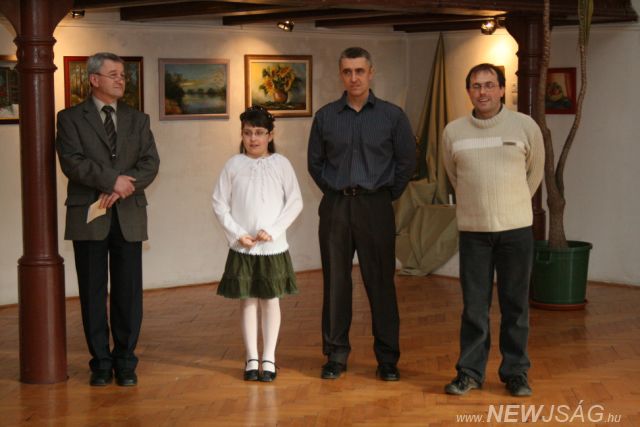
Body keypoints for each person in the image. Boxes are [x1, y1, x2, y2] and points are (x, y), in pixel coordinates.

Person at [307, 47, 416, 381]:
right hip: (336, 207)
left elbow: (407, 162)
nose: (353, 78)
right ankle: (335, 356)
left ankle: (387, 359)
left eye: (359, 71)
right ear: (341, 75)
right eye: (347, 72)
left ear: (371, 72)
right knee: (335, 284)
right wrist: (335, 191)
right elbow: (315, 164)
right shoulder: (325, 116)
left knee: (381, 284)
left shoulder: (392, 116)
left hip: (375, 206)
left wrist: (384, 196)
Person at [56, 52, 160, 387]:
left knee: (128, 293)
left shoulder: (138, 119)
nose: (120, 80)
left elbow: (150, 163)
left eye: (123, 75)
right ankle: (100, 362)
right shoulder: (70, 118)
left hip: (129, 214)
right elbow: (72, 162)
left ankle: (126, 361)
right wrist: (111, 180)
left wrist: (123, 187)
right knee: (92, 292)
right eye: (113, 74)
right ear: (94, 79)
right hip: (88, 216)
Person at [441, 63, 544, 397]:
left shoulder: (525, 127)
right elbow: (454, 176)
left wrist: (512, 205)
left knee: (516, 307)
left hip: (516, 231)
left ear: (501, 89)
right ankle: (469, 373)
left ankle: (516, 373)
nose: (482, 92)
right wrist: (479, 208)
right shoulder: (453, 132)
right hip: (474, 233)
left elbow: (534, 173)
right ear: (468, 91)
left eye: (489, 85)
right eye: (476, 86)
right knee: (474, 308)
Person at [212, 106, 303, 382]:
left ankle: (269, 357)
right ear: (242, 134)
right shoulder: (233, 165)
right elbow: (219, 203)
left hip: (272, 248)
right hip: (244, 247)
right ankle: (252, 357)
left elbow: (295, 202)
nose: (253, 138)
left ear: (270, 135)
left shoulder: (282, 164)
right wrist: (238, 233)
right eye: (248, 133)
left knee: (270, 300)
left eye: (260, 133)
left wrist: (273, 231)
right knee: (248, 301)